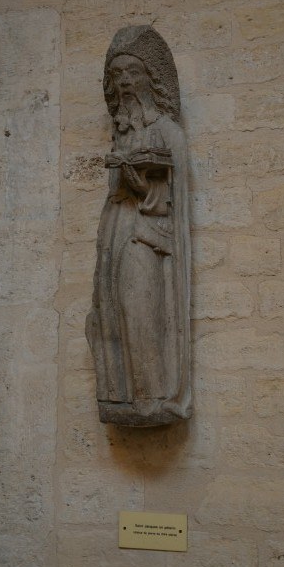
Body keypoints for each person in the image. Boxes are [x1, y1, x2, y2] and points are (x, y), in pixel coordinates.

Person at [86, 25, 191, 426]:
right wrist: (126, 177)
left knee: (140, 311)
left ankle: (153, 398)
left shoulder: (167, 132)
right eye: (117, 75)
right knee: (111, 312)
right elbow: (117, 193)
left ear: (151, 78)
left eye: (132, 71)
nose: (124, 81)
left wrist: (144, 187)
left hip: (149, 237)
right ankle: (121, 396)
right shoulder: (122, 135)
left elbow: (174, 199)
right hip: (116, 230)